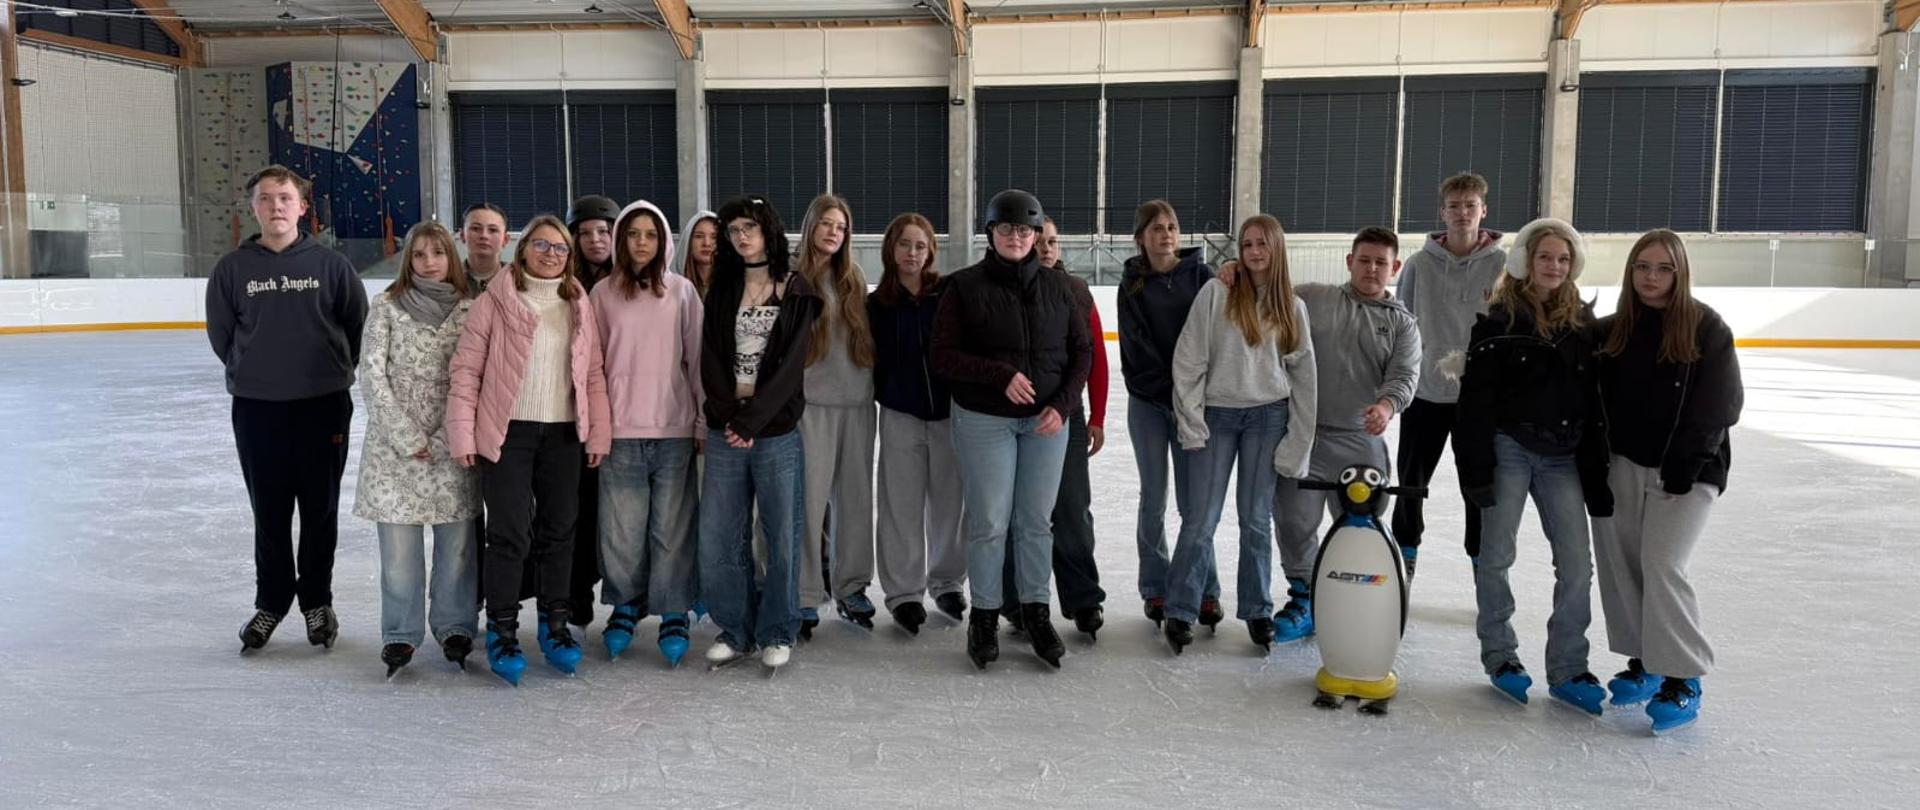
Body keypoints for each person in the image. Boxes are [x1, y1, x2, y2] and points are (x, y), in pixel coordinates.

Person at [209, 164, 369, 654]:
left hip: (322, 407)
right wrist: (256, 372)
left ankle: (317, 602)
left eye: (284, 198)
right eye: (265, 198)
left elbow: (355, 325)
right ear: (253, 207)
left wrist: (327, 371)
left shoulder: (331, 265)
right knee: (270, 513)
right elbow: (222, 336)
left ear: (302, 207)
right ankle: (271, 602)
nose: (275, 206)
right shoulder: (233, 269)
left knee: (319, 511)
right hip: (258, 410)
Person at [446, 214, 612, 684]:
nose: (551, 254)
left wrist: (597, 433)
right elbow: (467, 371)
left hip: (563, 435)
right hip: (508, 432)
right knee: (509, 535)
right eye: (542, 245)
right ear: (522, 250)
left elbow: (593, 374)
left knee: (560, 532)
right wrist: (463, 433)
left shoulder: (577, 301)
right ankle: (501, 627)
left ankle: (555, 624)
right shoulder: (496, 300)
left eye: (560, 248)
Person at [931, 189, 1092, 670]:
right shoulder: (963, 288)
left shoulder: (1060, 287)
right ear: (991, 233)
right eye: (1007, 229)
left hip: (1046, 423)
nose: (1017, 237)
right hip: (985, 422)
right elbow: (943, 356)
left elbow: (1082, 353)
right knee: (989, 524)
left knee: (1036, 523)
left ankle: (1036, 611)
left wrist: (1062, 406)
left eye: (1025, 230)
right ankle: (984, 616)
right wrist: (998, 375)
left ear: (1037, 234)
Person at [1455, 217, 1610, 713]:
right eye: (1545, 256)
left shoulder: (1584, 326)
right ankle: (1500, 655)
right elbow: (1474, 405)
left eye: (1563, 259)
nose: (1554, 266)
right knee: (1496, 554)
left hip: (1561, 455)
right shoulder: (1498, 321)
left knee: (1577, 564)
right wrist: (1475, 472)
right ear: (1525, 260)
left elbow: (1598, 401)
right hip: (1509, 449)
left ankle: (1568, 666)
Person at [1593, 229, 1743, 733]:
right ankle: (1645, 661)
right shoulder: (1612, 331)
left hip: (1687, 470)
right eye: (1642, 267)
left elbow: (1720, 405)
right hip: (1623, 464)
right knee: (1622, 564)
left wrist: (1684, 467)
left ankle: (1683, 676)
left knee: (1663, 564)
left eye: (1662, 269)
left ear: (1679, 274)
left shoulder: (1706, 328)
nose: (1651, 278)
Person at [1167, 214, 1316, 654]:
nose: (1254, 252)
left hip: (1268, 419)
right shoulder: (1217, 292)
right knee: (1201, 518)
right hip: (1218, 417)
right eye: (1248, 244)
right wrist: (1191, 419)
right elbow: (1189, 359)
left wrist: (1298, 441)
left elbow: (1304, 378)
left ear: (1276, 249)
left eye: (1262, 244)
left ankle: (1256, 610)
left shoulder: (1293, 306)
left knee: (1255, 520)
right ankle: (1180, 609)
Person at [1267, 227, 1421, 645]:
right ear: (1349, 261)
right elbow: (1265, 284)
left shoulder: (1402, 325)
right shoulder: (1313, 298)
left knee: (1359, 528)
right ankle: (1303, 597)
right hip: (1306, 436)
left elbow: (1405, 377)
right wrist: (1231, 269)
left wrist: (1386, 407)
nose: (1372, 268)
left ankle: (1353, 602)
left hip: (1360, 442)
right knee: (1296, 522)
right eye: (1365, 259)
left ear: (1395, 268)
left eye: (1381, 262)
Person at [696, 195, 822, 672]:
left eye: (748, 227)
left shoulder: (796, 289)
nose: (740, 236)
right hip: (728, 429)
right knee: (720, 535)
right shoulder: (722, 286)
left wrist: (752, 422)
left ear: (768, 229)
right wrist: (730, 416)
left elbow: (791, 369)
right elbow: (709, 356)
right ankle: (736, 628)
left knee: (781, 534)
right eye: (732, 230)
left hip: (775, 431)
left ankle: (776, 629)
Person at [354, 221, 482, 675]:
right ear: (409, 259)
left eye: (438, 253)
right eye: (420, 254)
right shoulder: (386, 307)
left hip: (453, 444)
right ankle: (401, 635)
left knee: (458, 546)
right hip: (395, 451)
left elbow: (477, 377)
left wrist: (450, 434)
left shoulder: (472, 309)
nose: (430, 262)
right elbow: (371, 375)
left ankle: (455, 625)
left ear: (451, 257)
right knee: (399, 552)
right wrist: (407, 436)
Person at [590, 200, 704, 666]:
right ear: (621, 239)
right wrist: (597, 427)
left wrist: (699, 420)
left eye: (650, 235)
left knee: (671, 529)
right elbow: (592, 367)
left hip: (673, 429)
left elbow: (696, 362)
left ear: (663, 242)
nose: (641, 242)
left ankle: (674, 609)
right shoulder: (600, 294)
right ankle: (625, 603)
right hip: (619, 431)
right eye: (633, 234)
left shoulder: (681, 293)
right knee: (622, 530)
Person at [1001, 216, 1110, 640]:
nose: (1047, 249)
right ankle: (1015, 602)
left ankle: (1083, 599)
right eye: (1039, 241)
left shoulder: (1076, 292)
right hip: (1010, 420)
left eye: (1053, 241)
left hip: (1065, 415)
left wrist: (1097, 415)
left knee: (1070, 509)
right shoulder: (1003, 288)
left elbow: (1096, 359)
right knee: (1016, 514)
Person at [1394, 172, 1507, 579]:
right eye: (1454, 206)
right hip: (1425, 393)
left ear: (1484, 210)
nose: (1462, 214)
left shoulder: (1503, 265)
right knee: (1410, 482)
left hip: (1479, 401)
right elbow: (1401, 323)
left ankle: (1481, 562)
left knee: (1477, 487)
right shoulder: (1420, 265)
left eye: (1470, 205)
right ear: (1442, 212)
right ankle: (1404, 551)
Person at [1117, 199, 1222, 629]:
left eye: (1173, 226)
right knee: (1153, 497)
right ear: (1141, 236)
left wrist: (1190, 396)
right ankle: (1156, 586)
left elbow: (1216, 338)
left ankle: (1204, 588)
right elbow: (1134, 349)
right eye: (1156, 228)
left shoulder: (1202, 277)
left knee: (1194, 503)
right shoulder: (1132, 284)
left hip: (1193, 405)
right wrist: (1169, 391)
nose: (1166, 234)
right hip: (1148, 403)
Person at [868, 212, 964, 634]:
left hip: (948, 415)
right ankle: (904, 593)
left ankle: (946, 582)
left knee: (950, 505)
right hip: (900, 415)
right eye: (904, 244)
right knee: (900, 506)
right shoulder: (876, 304)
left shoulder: (947, 295)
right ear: (891, 249)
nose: (911, 253)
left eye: (919, 245)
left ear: (931, 251)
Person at [794, 194, 880, 634]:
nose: (833, 232)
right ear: (811, 226)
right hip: (811, 407)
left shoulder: (854, 277)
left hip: (858, 405)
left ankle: (851, 585)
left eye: (841, 227)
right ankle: (806, 592)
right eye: (826, 223)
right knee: (809, 502)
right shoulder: (792, 277)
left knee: (854, 501)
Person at [539, 194, 622, 628]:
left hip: (618, 412)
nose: (595, 240)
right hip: (562, 413)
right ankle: (572, 591)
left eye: (604, 231)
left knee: (614, 511)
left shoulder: (629, 281)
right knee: (570, 507)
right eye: (585, 233)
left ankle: (624, 593)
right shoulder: (556, 282)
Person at [460, 202, 510, 292]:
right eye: (475, 228)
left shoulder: (517, 280)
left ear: (505, 239)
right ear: (462, 236)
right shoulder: (449, 278)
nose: (484, 236)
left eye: (493, 230)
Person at [676, 209, 721, 300]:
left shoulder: (736, 287)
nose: (707, 243)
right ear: (688, 241)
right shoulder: (675, 289)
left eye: (714, 237)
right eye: (699, 236)